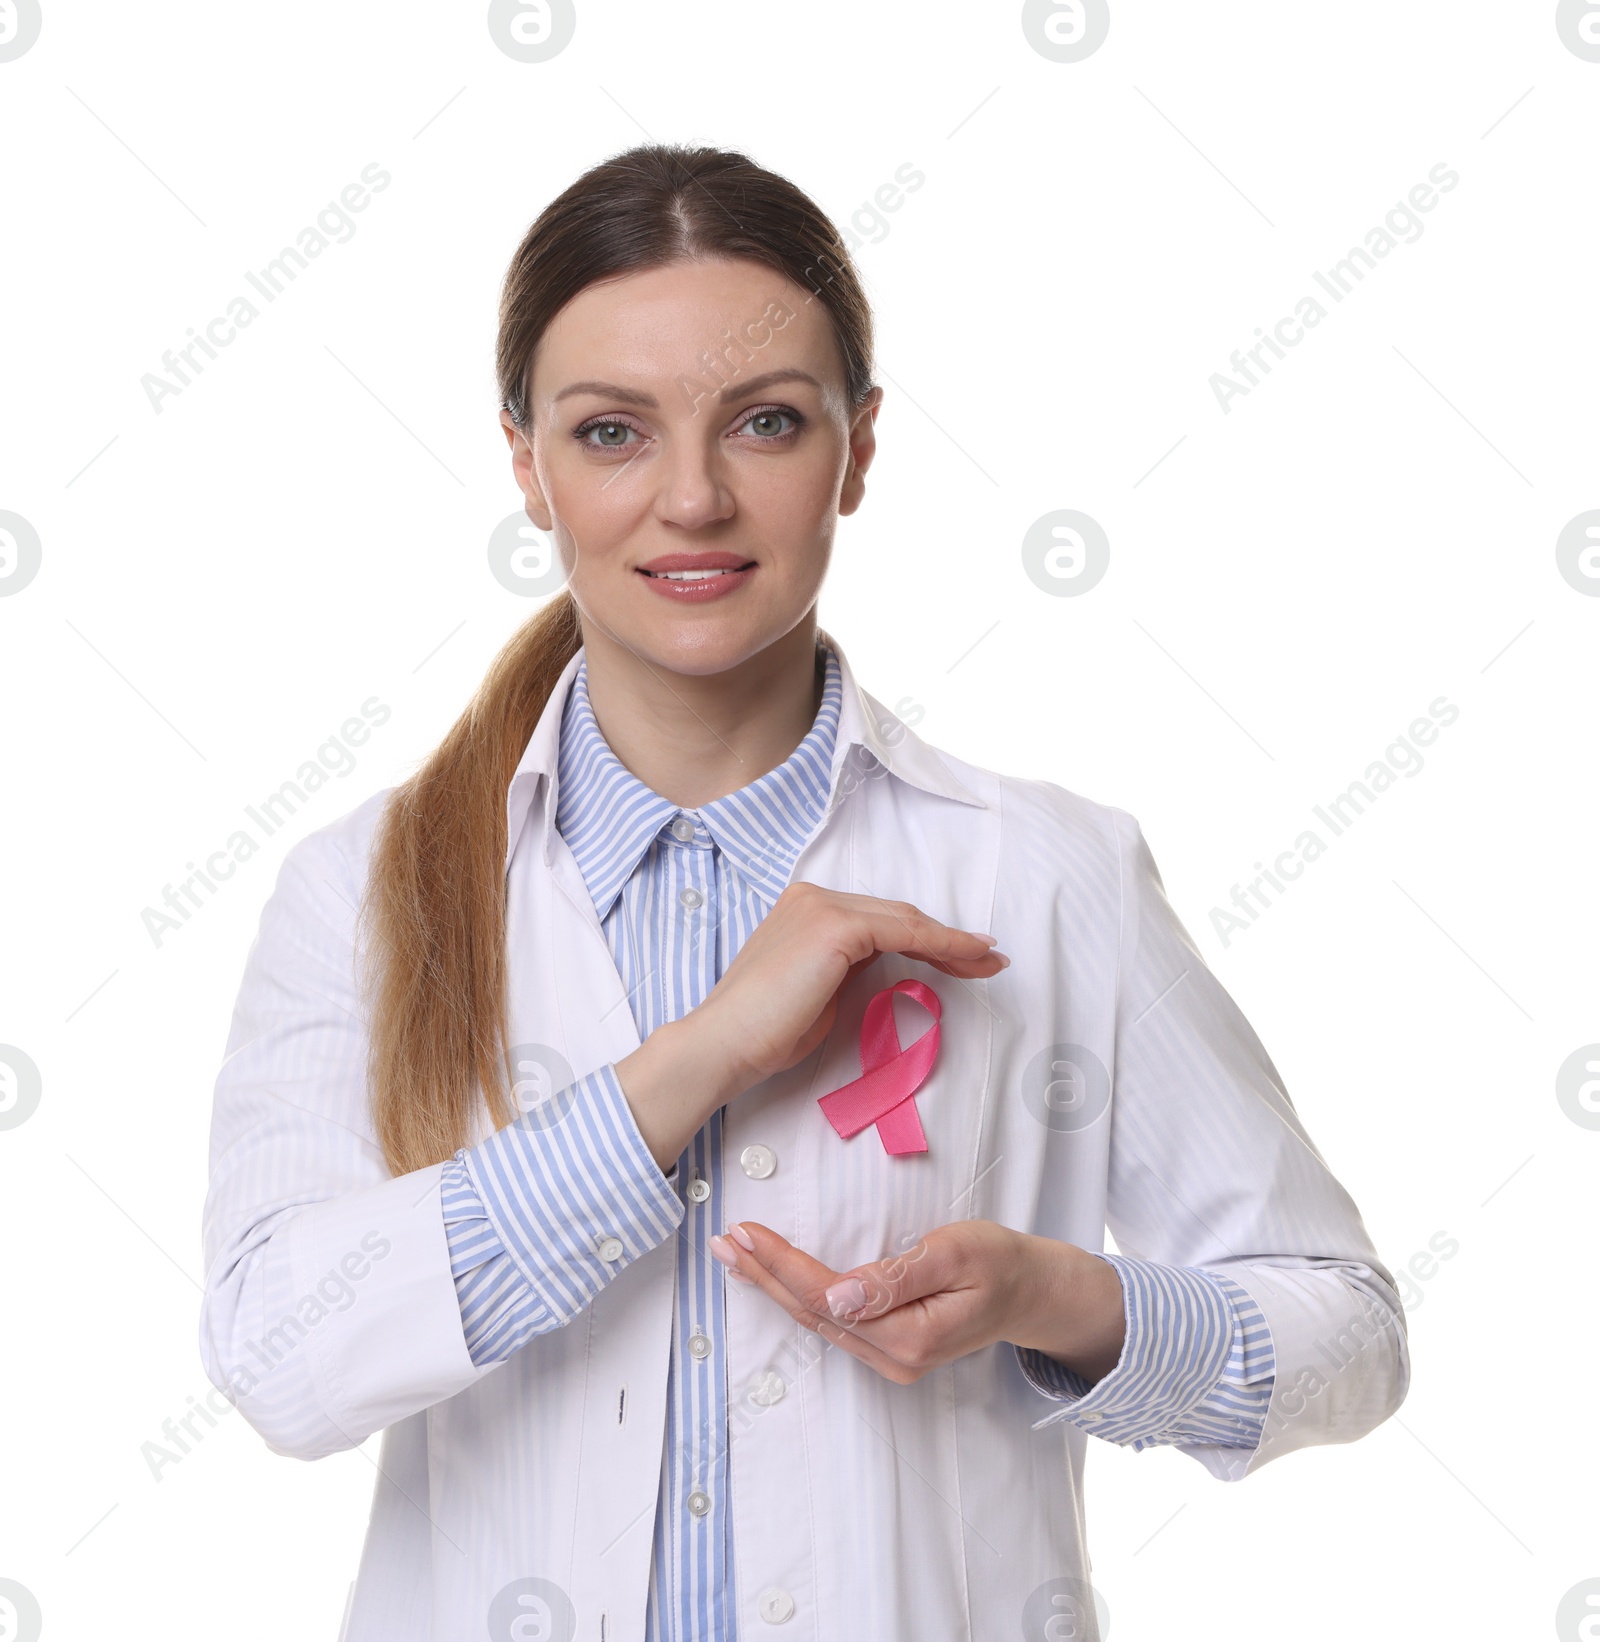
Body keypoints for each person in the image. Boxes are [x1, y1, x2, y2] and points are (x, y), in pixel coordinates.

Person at [199, 144, 1408, 1642]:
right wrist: (687, 1066)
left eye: (765, 422)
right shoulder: (367, 894)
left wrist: (1062, 1300)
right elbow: (276, 1357)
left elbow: (1349, 1329)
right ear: (528, 464)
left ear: (859, 449)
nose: (692, 498)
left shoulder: (1046, 871)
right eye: (612, 431)